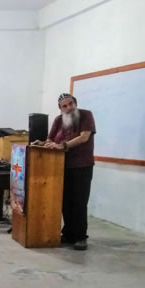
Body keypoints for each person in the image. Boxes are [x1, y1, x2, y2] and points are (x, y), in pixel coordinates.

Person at [43, 93, 96, 251]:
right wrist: (47, 144)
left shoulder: (86, 115)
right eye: (64, 106)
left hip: (82, 166)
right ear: (60, 109)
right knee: (65, 202)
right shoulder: (58, 120)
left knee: (79, 202)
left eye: (71, 104)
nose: (69, 108)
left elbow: (84, 137)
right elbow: (50, 139)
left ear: (75, 103)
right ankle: (69, 234)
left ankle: (80, 237)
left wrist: (62, 145)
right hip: (61, 166)